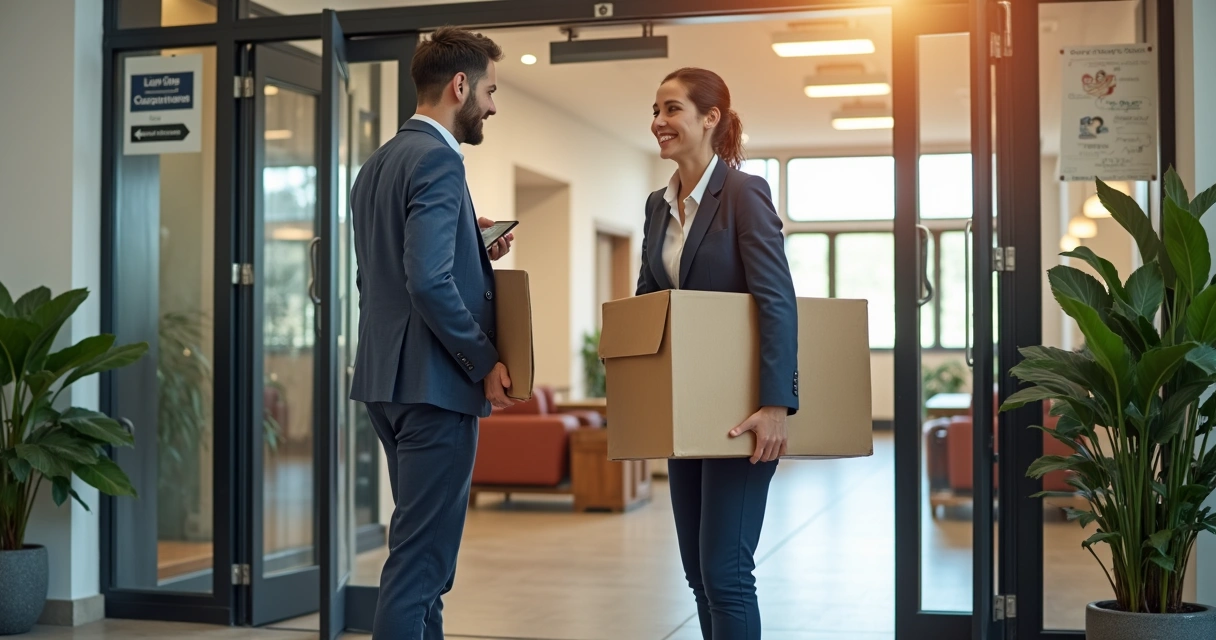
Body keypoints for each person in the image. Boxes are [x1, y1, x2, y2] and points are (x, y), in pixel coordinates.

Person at [348, 26, 515, 640]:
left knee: (425, 554)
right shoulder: (441, 159)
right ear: (460, 85)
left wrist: (473, 240)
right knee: (421, 563)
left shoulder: (377, 164)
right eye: (491, 91)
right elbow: (427, 283)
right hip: (436, 387)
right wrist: (483, 359)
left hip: (387, 384)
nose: (492, 106)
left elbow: (385, 277)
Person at [636, 67, 799, 639]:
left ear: (711, 118)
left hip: (743, 412)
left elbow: (777, 301)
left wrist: (777, 403)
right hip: (688, 410)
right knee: (698, 575)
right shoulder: (658, 206)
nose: (658, 122)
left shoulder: (744, 193)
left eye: (672, 109)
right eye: (655, 110)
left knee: (726, 573)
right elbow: (647, 306)